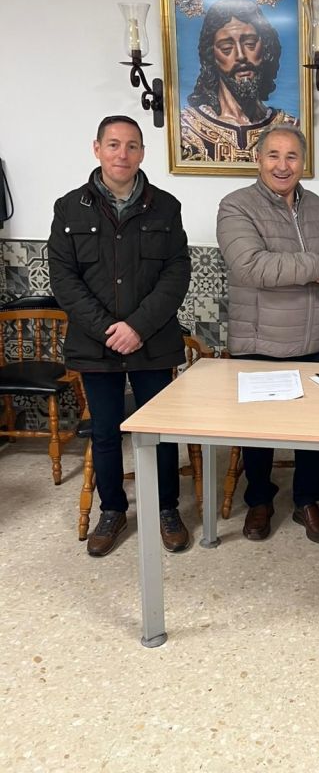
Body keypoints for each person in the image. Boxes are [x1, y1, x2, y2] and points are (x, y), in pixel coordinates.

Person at [48, 115, 192, 557]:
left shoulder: (165, 206)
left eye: (132, 146)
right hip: (97, 345)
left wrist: (138, 327)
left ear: (143, 153)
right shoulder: (69, 208)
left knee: (159, 431)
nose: (122, 154)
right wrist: (109, 331)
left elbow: (176, 273)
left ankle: (167, 508)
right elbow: (64, 279)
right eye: (113, 145)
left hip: (153, 341)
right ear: (97, 149)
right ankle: (112, 510)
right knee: (106, 432)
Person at [216, 125, 319, 544]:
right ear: (258, 159)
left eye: (292, 156)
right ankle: (259, 500)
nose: (282, 165)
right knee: (258, 434)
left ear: (303, 162)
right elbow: (252, 266)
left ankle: (307, 500)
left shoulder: (315, 204)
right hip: (259, 342)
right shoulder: (236, 206)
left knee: (312, 431)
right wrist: (317, 267)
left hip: (314, 341)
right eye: (273, 155)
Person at [181, 0, 299, 163]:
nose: (241, 56)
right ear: (212, 56)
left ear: (265, 48)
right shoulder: (186, 129)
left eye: (250, 44)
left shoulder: (291, 127)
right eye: (226, 48)